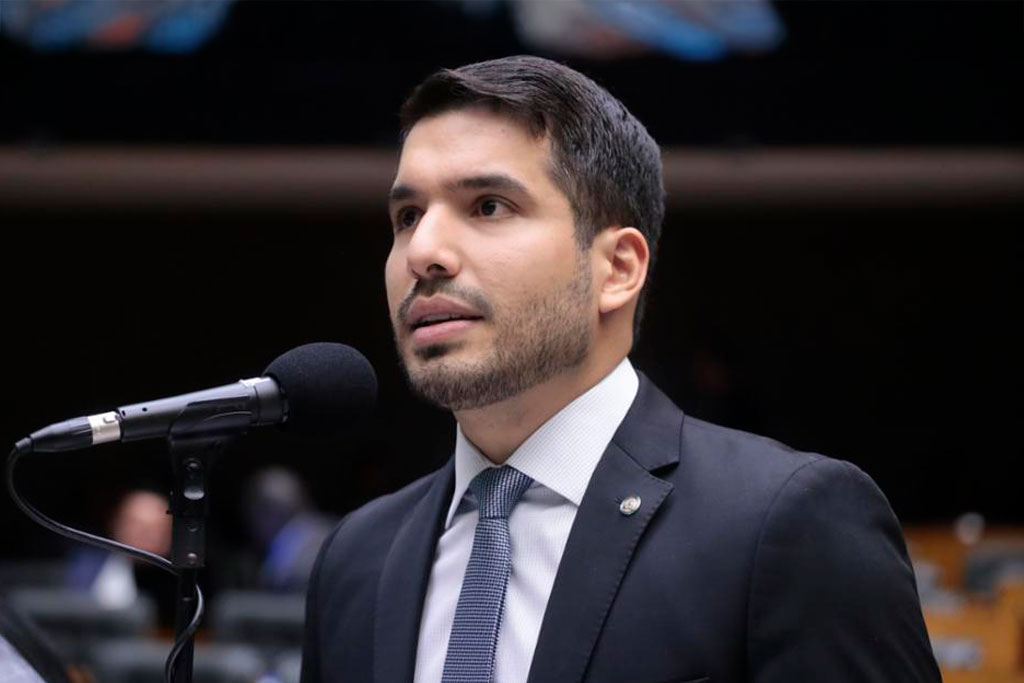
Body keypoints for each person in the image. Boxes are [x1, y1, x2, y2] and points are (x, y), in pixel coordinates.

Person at [301, 55, 940, 682]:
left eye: (489, 205)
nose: (424, 252)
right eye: (407, 217)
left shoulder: (789, 524)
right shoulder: (356, 559)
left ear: (618, 269)